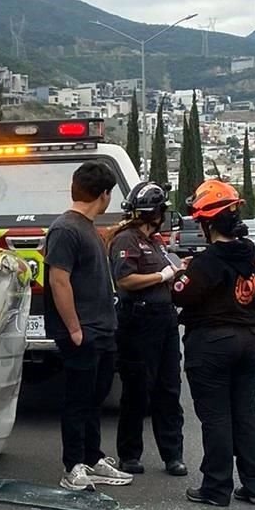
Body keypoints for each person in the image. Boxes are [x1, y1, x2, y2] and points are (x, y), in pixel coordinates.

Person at [44, 161, 134, 491]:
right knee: (78, 400)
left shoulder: (87, 228)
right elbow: (59, 281)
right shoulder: (66, 229)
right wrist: (74, 329)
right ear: (105, 195)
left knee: (94, 398)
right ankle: (73, 466)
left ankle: (93, 458)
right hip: (83, 331)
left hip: (102, 328)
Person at [172, 180, 255, 507]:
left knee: (217, 416)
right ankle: (253, 483)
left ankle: (216, 487)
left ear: (207, 224)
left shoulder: (207, 262)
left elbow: (180, 293)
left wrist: (180, 274)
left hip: (212, 344)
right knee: (246, 413)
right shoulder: (252, 255)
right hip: (250, 341)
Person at [107, 182, 187, 477]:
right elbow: (125, 280)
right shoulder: (126, 241)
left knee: (168, 390)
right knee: (137, 390)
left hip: (164, 321)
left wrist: (177, 270)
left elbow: (165, 271)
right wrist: (162, 274)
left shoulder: (156, 242)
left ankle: (173, 455)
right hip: (138, 322)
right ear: (154, 213)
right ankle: (129, 455)